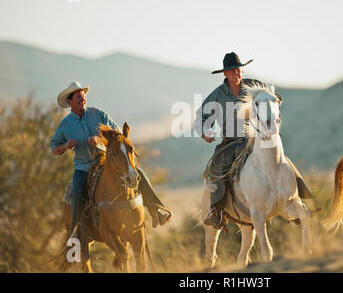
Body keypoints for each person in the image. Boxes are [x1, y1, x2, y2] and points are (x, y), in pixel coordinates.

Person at [194, 52, 314, 229]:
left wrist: (274, 104)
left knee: (282, 160)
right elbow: (200, 117)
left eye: (238, 69)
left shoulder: (253, 86)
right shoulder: (217, 95)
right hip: (231, 141)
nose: (237, 73)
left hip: (255, 137)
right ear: (225, 74)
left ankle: (296, 199)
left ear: (242, 70)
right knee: (218, 165)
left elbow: (274, 97)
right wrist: (205, 133)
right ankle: (217, 210)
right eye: (232, 71)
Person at [50, 81, 172, 237]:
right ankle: (76, 232)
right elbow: (54, 148)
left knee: (137, 172)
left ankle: (156, 209)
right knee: (76, 191)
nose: (82, 100)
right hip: (83, 166)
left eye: (83, 97)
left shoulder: (98, 114)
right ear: (70, 101)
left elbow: (118, 134)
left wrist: (100, 139)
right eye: (79, 98)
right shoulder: (65, 125)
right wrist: (66, 144)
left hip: (105, 160)